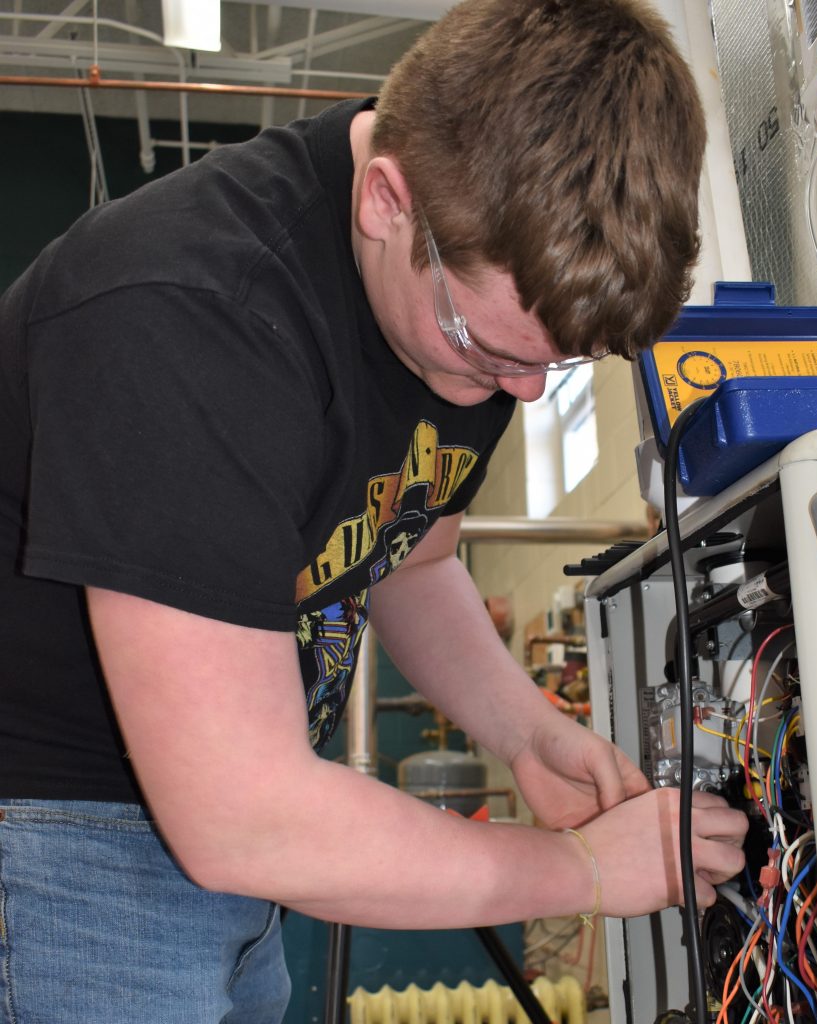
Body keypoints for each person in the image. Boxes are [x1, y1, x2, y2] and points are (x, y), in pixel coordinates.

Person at [0, 0, 748, 1020]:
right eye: (489, 349)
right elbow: (240, 816)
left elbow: (412, 557)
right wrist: (577, 870)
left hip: (222, 851)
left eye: (553, 365)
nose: (519, 395)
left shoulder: (464, 298)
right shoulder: (182, 315)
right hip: (54, 839)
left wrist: (531, 736)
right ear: (387, 200)